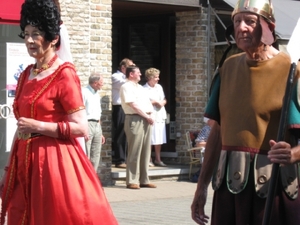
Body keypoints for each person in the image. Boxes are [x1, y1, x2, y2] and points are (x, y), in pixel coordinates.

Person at [0, 0, 118, 224]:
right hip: (23, 159)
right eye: (26, 34)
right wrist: (8, 171)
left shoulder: (64, 74)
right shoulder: (26, 74)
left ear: (53, 38)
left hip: (52, 162)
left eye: (36, 34)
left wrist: (39, 126)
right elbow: (22, 125)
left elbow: (81, 127)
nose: (29, 40)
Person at [191, 0, 300, 225]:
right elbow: (218, 132)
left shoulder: (292, 70)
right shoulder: (227, 68)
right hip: (229, 189)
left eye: (250, 22)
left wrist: (294, 154)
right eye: (237, 21)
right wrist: (201, 187)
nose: (241, 28)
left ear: (269, 27)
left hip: (273, 187)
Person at [120, 65, 157, 189]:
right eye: (139, 73)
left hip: (146, 119)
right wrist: (146, 116)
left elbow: (146, 103)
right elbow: (133, 104)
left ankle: (144, 179)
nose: (141, 75)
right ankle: (132, 180)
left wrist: (149, 115)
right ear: (131, 74)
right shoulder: (126, 87)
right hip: (135, 119)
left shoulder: (140, 87)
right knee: (135, 150)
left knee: (146, 150)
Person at [112, 58, 135, 168]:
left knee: (127, 133)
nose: (132, 70)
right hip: (119, 107)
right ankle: (119, 159)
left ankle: (125, 158)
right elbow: (125, 83)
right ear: (123, 68)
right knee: (121, 133)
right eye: (130, 67)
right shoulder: (116, 77)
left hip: (128, 107)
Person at [143, 68, 167, 167]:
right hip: (151, 115)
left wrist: (162, 102)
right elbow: (143, 102)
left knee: (159, 138)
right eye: (156, 77)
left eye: (158, 77)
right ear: (149, 78)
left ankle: (158, 159)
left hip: (160, 114)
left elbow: (164, 99)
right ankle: (148, 159)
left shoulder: (159, 87)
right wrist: (154, 102)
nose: (158, 79)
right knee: (150, 138)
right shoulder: (144, 89)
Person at [82, 73, 105, 171]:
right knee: (86, 153)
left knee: (96, 154)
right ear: (95, 83)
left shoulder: (97, 94)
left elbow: (98, 113)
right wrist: (84, 129)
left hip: (97, 125)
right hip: (87, 124)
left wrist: (101, 132)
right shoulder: (84, 92)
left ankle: (93, 178)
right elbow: (81, 111)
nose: (102, 84)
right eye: (101, 82)